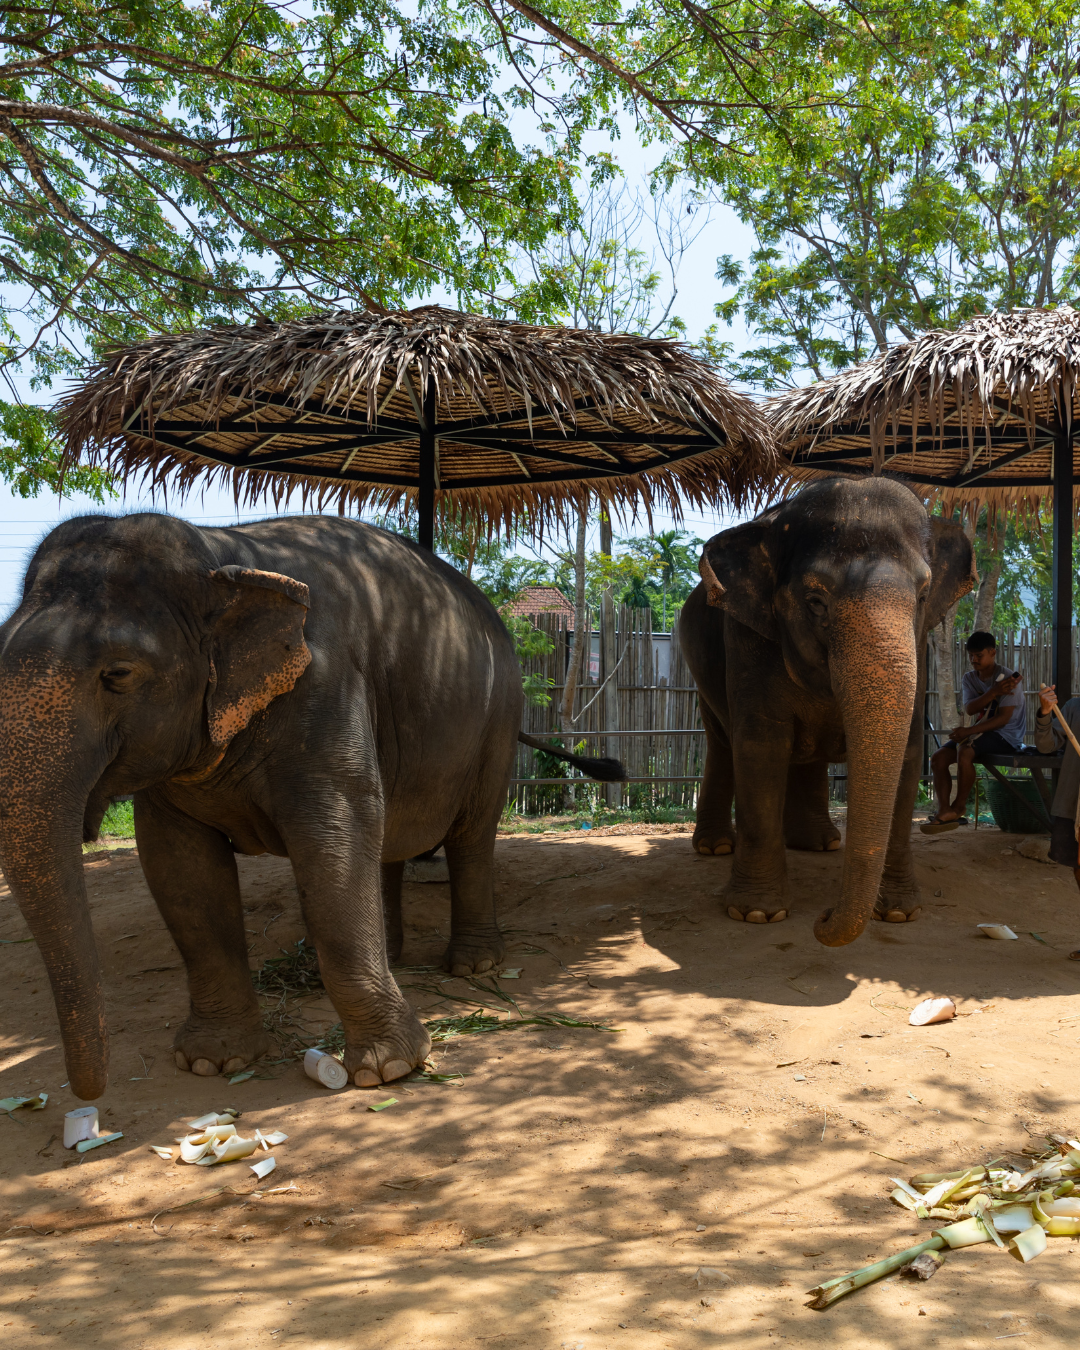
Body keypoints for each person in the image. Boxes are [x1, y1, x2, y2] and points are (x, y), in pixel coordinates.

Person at [922, 631, 1026, 835]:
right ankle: (945, 810)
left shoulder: (1009, 679)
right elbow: (970, 709)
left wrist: (968, 731)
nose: (974, 660)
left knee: (965, 751)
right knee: (938, 758)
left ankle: (959, 808)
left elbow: (1003, 719)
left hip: (1007, 735)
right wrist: (993, 692)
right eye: (971, 655)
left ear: (993, 652)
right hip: (981, 732)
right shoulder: (969, 678)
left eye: (979, 655)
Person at [1034, 683, 1080, 962]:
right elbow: (1046, 745)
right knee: (1079, 869)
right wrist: (1045, 712)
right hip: (1074, 805)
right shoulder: (1074, 708)